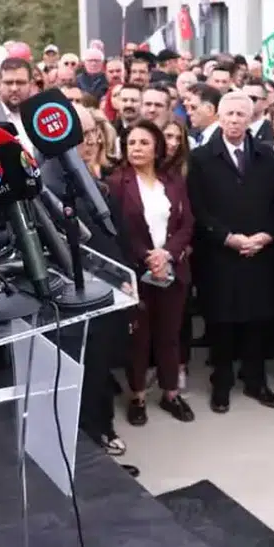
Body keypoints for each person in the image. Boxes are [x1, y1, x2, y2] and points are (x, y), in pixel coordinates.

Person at [187, 91, 274, 414]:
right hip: (220, 253)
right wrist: (227, 238)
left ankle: (256, 381)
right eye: (228, 114)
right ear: (218, 117)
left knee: (257, 320)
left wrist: (266, 235)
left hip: (260, 251)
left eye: (241, 115)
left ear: (250, 118)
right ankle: (222, 382)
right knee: (222, 322)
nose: (234, 120)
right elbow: (198, 208)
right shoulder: (201, 158)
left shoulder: (265, 155)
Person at [106, 119, 195, 426]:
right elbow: (118, 231)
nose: (137, 148)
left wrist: (167, 253)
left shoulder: (173, 180)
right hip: (136, 273)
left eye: (144, 142)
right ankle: (138, 396)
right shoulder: (116, 183)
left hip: (172, 269)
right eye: (131, 143)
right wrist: (147, 257)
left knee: (169, 336)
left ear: (157, 147)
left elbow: (187, 224)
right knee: (139, 339)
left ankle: (171, 393)